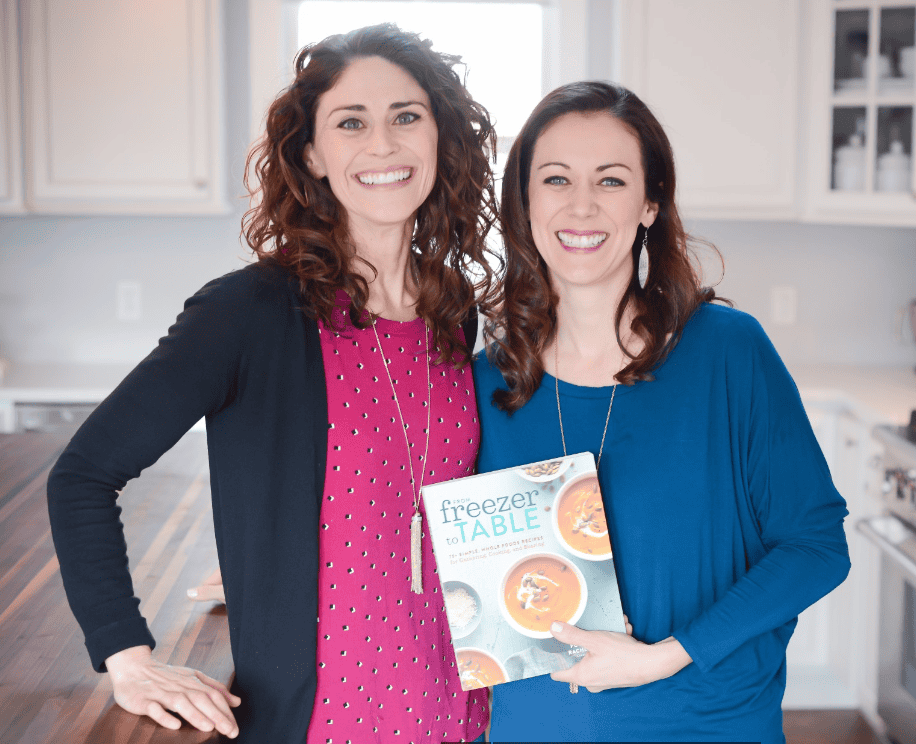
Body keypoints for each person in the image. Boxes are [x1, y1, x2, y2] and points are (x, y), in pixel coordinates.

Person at [46, 24, 499, 743]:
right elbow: (82, 475)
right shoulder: (249, 312)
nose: (383, 145)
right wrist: (126, 657)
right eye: (352, 123)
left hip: (460, 706)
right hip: (325, 721)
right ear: (314, 155)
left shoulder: (453, 308)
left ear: (439, 138)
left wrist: (270, 553)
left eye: (406, 117)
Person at [472, 81, 851, 743]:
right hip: (539, 725)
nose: (582, 205)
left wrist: (665, 655)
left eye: (612, 181)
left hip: (706, 721)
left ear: (650, 203)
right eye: (556, 179)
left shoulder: (728, 353)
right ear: (524, 203)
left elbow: (817, 546)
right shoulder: (487, 383)